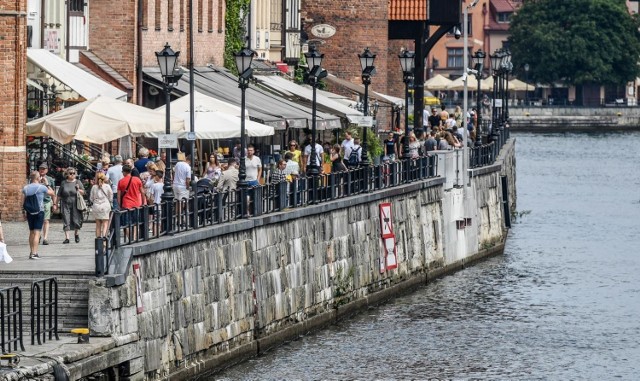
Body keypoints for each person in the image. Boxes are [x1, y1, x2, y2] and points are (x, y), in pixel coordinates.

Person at [22, 171, 54, 259]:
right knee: (37, 233)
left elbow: (23, 201)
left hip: (29, 212)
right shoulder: (41, 187)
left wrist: (23, 212)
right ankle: (34, 253)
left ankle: (31, 251)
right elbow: (52, 193)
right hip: (39, 212)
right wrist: (47, 184)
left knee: (31, 232)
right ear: (37, 178)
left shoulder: (25, 188)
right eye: (40, 176)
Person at [117, 164, 145, 240]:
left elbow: (119, 196)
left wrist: (120, 205)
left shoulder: (121, 181)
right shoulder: (137, 180)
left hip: (126, 205)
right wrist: (144, 202)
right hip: (136, 204)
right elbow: (142, 192)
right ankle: (135, 237)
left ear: (124, 172)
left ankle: (130, 238)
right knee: (135, 222)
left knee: (125, 223)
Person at [57, 167, 84, 244]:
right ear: (67, 174)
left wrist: (78, 189)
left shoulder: (78, 182)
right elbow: (59, 195)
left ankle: (76, 234)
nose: (72, 175)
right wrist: (55, 204)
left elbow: (83, 193)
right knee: (66, 219)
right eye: (70, 173)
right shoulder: (63, 183)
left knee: (76, 219)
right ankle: (67, 238)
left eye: (74, 173)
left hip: (76, 203)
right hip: (65, 203)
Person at [38, 163, 56, 245]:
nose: (42, 170)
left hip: (46, 201)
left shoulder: (50, 179)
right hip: (37, 202)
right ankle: (38, 235)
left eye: (43, 169)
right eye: (41, 168)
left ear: (47, 170)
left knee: (46, 220)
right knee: (38, 220)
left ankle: (45, 238)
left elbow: (53, 193)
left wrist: (54, 203)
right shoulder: (35, 178)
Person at [90, 172, 113, 238]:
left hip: (96, 206)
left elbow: (91, 198)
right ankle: (104, 240)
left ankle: (98, 240)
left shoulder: (94, 187)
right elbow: (111, 197)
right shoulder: (107, 186)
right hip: (105, 206)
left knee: (98, 225)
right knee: (105, 224)